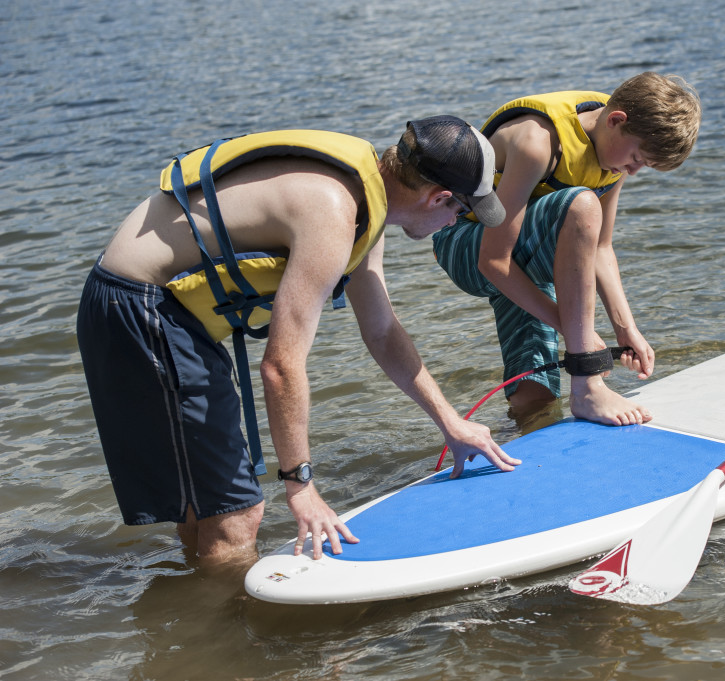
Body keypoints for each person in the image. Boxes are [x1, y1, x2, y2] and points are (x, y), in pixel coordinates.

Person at [77, 117, 521, 565]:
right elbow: (280, 366)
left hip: (147, 306)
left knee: (208, 508)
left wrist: (451, 422)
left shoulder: (366, 202)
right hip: (138, 307)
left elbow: (383, 332)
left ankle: (191, 621)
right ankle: (238, 631)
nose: (452, 224)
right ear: (438, 196)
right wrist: (301, 487)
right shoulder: (334, 211)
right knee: (238, 516)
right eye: (461, 213)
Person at [432, 72, 702, 425]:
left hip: (522, 255)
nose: (633, 172)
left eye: (644, 166)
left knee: (537, 396)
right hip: (465, 245)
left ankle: (530, 430)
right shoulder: (538, 142)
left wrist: (626, 328)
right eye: (636, 158)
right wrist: (583, 340)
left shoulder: (612, 151)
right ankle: (587, 386)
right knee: (582, 205)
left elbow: (601, 249)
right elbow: (494, 262)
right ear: (616, 120)